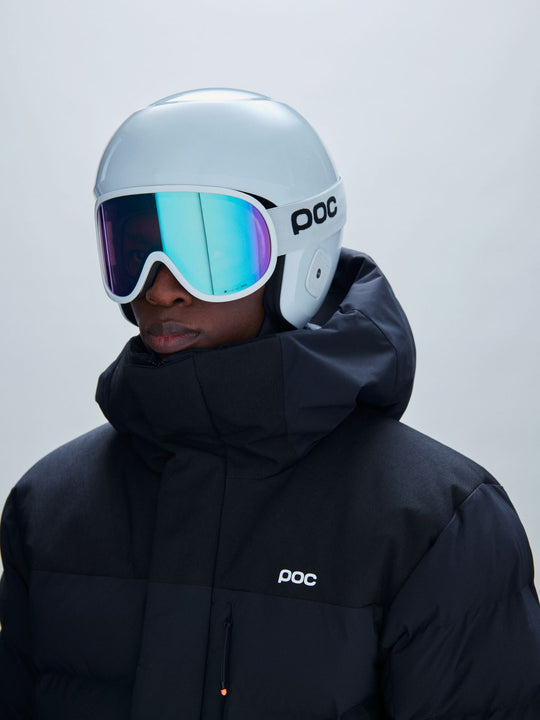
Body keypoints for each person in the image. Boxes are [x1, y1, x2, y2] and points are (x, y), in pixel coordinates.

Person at [0, 88, 539, 719]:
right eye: (134, 248)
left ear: (300, 255)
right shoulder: (48, 509)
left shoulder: (434, 526)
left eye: (208, 250)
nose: (162, 289)